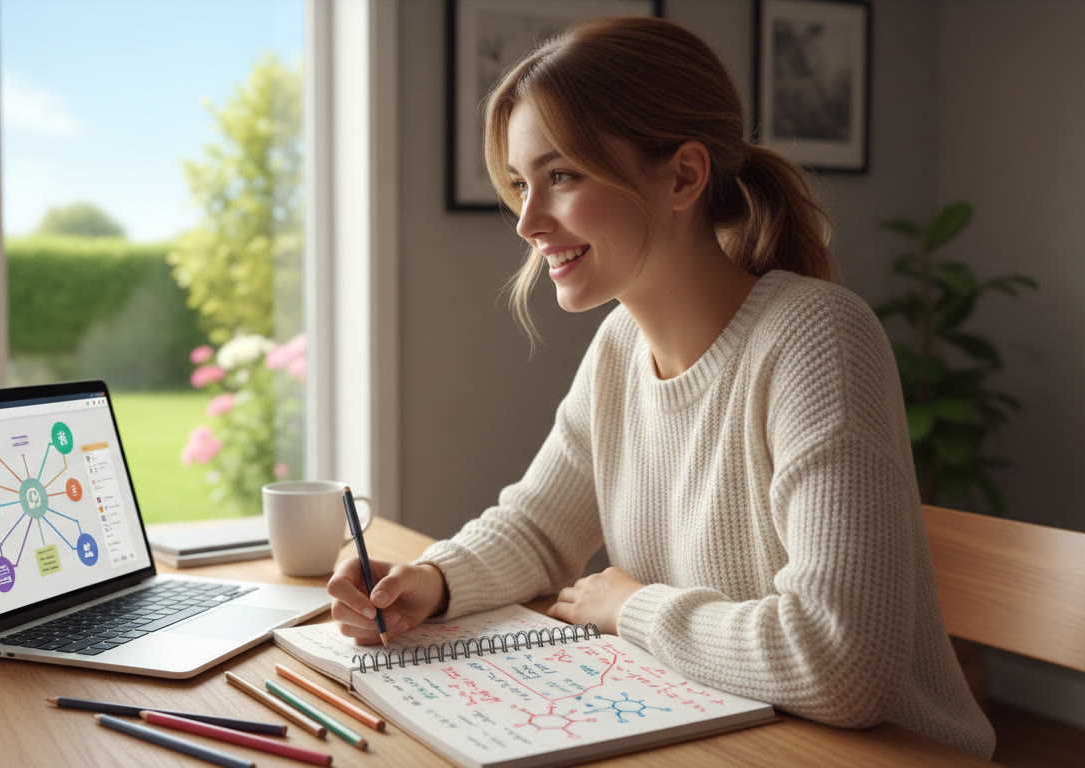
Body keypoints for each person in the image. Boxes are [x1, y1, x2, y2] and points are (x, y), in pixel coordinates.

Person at [325, 16, 995, 759]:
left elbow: (839, 663)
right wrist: (429, 581)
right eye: (520, 183)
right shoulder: (619, 348)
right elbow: (541, 530)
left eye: (562, 176)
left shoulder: (816, 339)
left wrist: (633, 608)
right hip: (720, 732)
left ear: (682, 176)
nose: (526, 221)